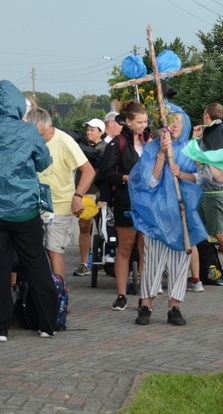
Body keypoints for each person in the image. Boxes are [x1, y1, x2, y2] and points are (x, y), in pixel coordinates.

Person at [0, 80, 58, 342]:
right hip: (23, 208)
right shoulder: (29, 132)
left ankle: (0, 328)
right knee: (36, 264)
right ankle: (47, 324)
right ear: (19, 105)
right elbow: (43, 161)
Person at [129, 104, 219, 326]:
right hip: (156, 217)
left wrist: (183, 174)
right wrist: (161, 154)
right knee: (152, 263)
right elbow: (149, 182)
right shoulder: (152, 149)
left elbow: (203, 178)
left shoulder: (192, 149)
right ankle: (145, 306)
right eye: (171, 123)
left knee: (180, 262)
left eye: (178, 123)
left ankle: (175, 307)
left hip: (182, 215)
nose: (175, 127)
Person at [25, 107, 95, 279]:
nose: (38, 139)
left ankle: (60, 294)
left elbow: (88, 171)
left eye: (41, 135)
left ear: (50, 126)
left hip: (59, 206)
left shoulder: (64, 141)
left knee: (53, 250)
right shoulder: (29, 140)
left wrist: (77, 197)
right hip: (33, 205)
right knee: (31, 252)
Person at [98, 101, 149, 311]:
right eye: (139, 122)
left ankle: (146, 292)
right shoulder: (117, 143)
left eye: (145, 121)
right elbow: (107, 172)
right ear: (128, 122)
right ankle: (121, 294)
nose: (143, 126)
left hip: (148, 201)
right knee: (125, 247)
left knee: (146, 249)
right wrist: (127, 178)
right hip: (125, 199)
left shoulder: (150, 140)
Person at [192, 103, 223, 286]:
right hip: (208, 189)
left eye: (204, 114)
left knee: (219, 232)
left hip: (215, 189)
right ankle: (211, 267)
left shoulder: (214, 134)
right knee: (207, 231)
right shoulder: (221, 132)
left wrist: (196, 140)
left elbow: (205, 158)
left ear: (207, 116)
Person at [72, 117, 107, 276]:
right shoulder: (82, 148)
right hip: (85, 192)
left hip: (100, 193)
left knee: (103, 228)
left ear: (101, 132)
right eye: (87, 130)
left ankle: (103, 258)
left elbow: (97, 156)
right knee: (84, 227)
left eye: (92, 130)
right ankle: (84, 262)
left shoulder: (105, 147)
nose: (88, 132)